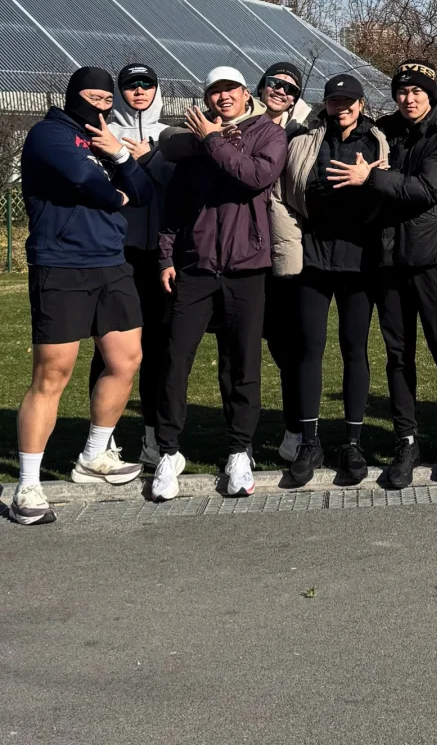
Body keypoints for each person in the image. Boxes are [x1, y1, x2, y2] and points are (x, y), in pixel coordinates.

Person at [10, 68, 150, 526]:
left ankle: (94, 455)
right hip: (62, 263)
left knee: (126, 360)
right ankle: (27, 486)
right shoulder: (49, 133)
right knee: (53, 372)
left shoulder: (108, 138)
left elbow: (143, 191)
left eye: (107, 100)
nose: (100, 106)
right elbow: (81, 176)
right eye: (92, 97)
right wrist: (115, 191)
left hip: (111, 263)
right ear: (74, 96)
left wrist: (121, 156)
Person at [151, 66, 287, 502]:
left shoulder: (268, 133)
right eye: (215, 91)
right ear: (206, 97)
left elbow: (255, 177)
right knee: (175, 360)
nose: (223, 97)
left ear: (246, 93)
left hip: (247, 267)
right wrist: (166, 256)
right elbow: (175, 203)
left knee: (242, 363)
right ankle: (168, 452)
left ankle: (239, 450)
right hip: (195, 268)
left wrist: (213, 140)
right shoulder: (195, 138)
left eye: (230, 89)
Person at [348, 61, 437, 494]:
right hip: (390, 261)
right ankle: (406, 442)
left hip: (435, 261)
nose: (408, 98)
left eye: (417, 91)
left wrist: (372, 176)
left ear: (431, 94)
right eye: (402, 91)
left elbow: (423, 189)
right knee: (398, 357)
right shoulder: (388, 131)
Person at [271, 74, 388, 487]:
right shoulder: (304, 138)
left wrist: (365, 181)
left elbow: (383, 191)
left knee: (355, 348)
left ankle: (352, 443)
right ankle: (309, 443)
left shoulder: (377, 140)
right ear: (326, 104)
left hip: (359, 260)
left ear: (361, 104)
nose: (343, 107)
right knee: (309, 348)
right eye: (335, 100)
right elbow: (288, 191)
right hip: (313, 258)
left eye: (350, 100)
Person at [94, 63, 175, 468]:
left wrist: (152, 159)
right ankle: (101, 442)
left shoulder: (172, 137)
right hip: (117, 254)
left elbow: (180, 190)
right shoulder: (102, 134)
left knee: (157, 350)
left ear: (157, 90)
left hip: (159, 257)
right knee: (109, 351)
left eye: (147, 84)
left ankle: (152, 438)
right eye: (130, 84)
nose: (139, 90)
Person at [254, 62, 312, 467]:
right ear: (261, 86)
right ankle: (241, 440)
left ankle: (295, 429)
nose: (281, 91)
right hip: (240, 251)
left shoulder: (302, 133)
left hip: (282, 253)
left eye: (291, 89)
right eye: (275, 83)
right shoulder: (236, 124)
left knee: (288, 349)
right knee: (239, 351)